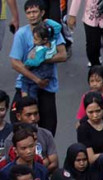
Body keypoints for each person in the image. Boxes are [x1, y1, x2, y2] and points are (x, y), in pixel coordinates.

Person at [8, 0, 65, 134]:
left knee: (48, 128)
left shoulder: (50, 32)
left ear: (42, 13)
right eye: (28, 13)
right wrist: (36, 79)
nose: (32, 15)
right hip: (27, 83)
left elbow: (62, 55)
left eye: (34, 12)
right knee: (18, 124)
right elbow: (15, 63)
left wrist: (42, 59)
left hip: (47, 86)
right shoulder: (21, 34)